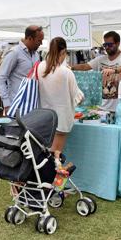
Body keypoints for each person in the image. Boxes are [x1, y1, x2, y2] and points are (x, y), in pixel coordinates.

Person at [37, 37, 83, 166]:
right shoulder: (66, 72)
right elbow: (78, 98)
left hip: (44, 118)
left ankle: (44, 182)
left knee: (45, 155)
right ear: (63, 52)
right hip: (61, 120)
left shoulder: (40, 67)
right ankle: (52, 184)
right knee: (55, 158)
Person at [71, 31, 121, 112]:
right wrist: (70, 67)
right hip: (102, 107)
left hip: (118, 108)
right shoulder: (100, 59)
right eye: (105, 45)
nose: (107, 47)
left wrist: (114, 70)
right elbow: (85, 66)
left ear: (117, 44)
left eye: (110, 44)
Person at [0, 25, 44, 113]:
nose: (41, 43)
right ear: (30, 38)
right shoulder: (14, 53)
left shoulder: (36, 55)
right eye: (39, 41)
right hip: (16, 105)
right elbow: (0, 78)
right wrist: (6, 103)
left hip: (32, 104)